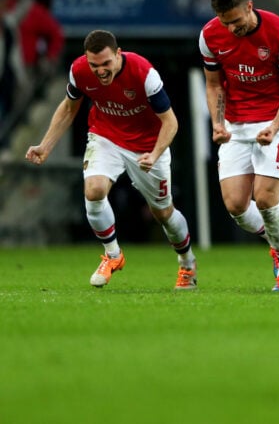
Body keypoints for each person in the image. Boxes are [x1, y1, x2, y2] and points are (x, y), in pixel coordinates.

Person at [25, 29, 197, 290]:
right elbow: (69, 107)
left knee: (162, 212)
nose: (101, 71)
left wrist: (156, 152)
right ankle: (113, 255)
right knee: (93, 190)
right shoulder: (79, 71)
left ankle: (187, 264)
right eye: (95, 65)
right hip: (106, 136)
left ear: (118, 54)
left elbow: (170, 121)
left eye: (106, 63)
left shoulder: (144, 73)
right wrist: (46, 145)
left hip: (148, 146)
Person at [200, 0, 279, 292]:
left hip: (277, 121)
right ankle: (275, 241)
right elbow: (215, 84)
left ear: (249, 6)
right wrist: (217, 123)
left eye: (237, 21)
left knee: (266, 198)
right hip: (236, 125)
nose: (232, 29)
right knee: (236, 206)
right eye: (225, 23)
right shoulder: (209, 36)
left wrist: (274, 126)